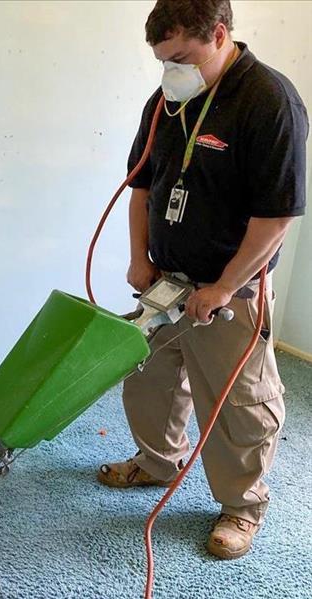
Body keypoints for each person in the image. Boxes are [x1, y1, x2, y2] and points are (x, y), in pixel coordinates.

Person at [97, 0, 308, 560]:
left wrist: (222, 287)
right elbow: (141, 184)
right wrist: (139, 257)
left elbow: (278, 216)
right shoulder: (168, 100)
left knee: (238, 403)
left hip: (230, 291)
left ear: (219, 34)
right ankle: (158, 463)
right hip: (165, 279)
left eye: (181, 57)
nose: (171, 70)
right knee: (149, 381)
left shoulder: (270, 100)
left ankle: (242, 506)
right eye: (163, 60)